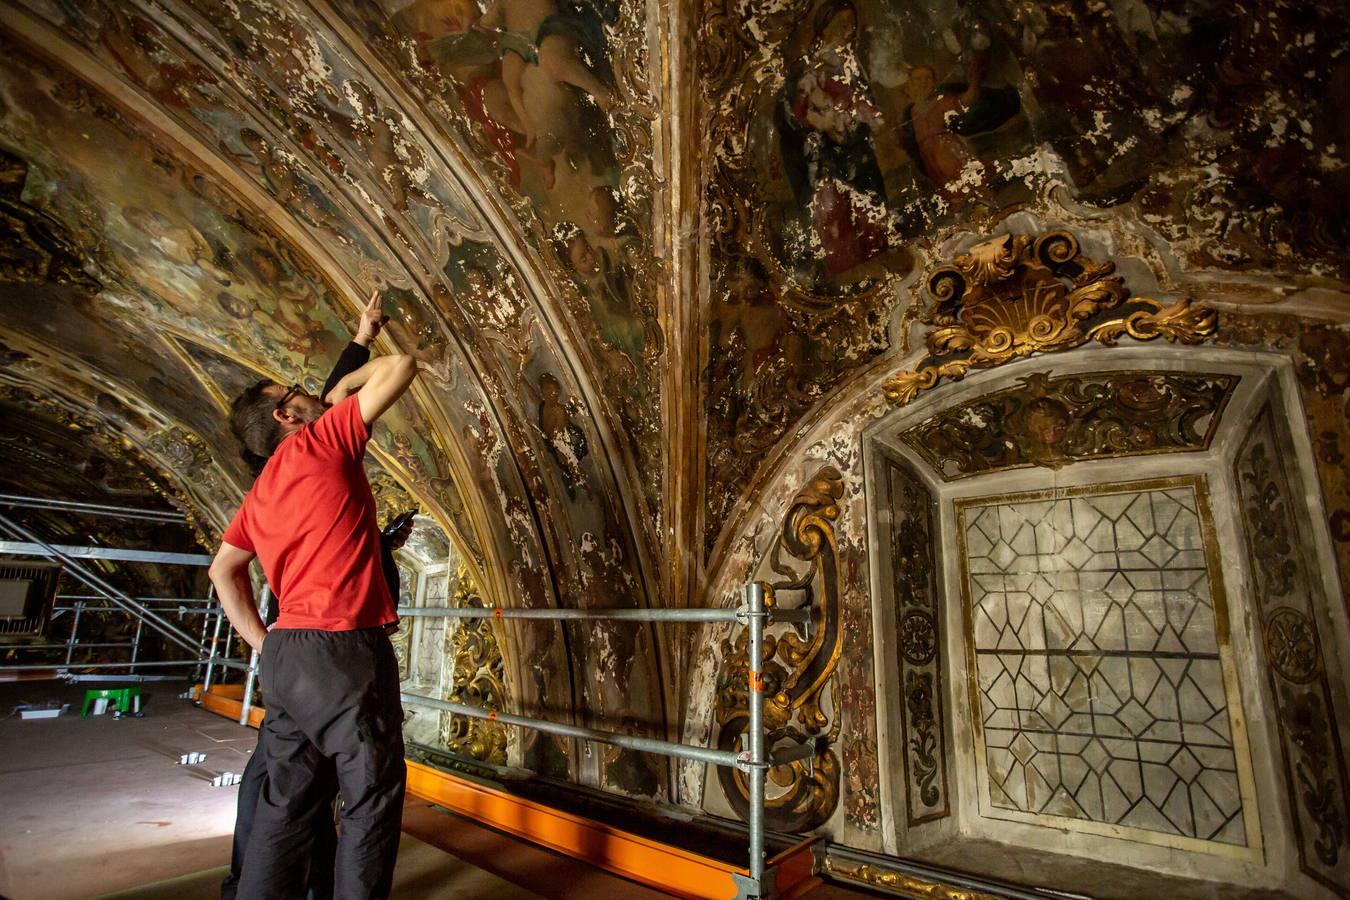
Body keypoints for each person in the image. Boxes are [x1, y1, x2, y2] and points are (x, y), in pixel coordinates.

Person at [209, 290, 420, 899]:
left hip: (287, 656)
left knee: (284, 804)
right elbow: (401, 368)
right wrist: (348, 377)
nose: (309, 393)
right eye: (295, 390)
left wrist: (264, 642)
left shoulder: (260, 491)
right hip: (345, 653)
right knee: (369, 800)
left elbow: (224, 571)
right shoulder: (320, 441)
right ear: (286, 415)